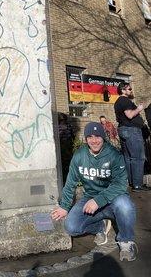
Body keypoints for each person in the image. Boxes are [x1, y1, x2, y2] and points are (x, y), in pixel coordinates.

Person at [51, 122, 137, 262]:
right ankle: (100, 226)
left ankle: (126, 241)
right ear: (86, 139)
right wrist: (65, 206)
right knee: (71, 227)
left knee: (125, 206)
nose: (94, 140)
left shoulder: (114, 155)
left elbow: (121, 184)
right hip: (90, 196)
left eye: (98, 136)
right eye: (90, 137)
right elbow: (71, 181)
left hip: (113, 198)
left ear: (103, 138)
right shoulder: (80, 156)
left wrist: (98, 201)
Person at [114, 82, 150, 192]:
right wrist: (139, 108)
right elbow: (129, 115)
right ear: (123, 90)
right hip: (131, 131)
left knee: (128, 157)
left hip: (124, 130)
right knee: (138, 158)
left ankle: (132, 182)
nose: (131, 90)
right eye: (129, 89)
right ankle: (138, 185)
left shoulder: (117, 102)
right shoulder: (124, 100)